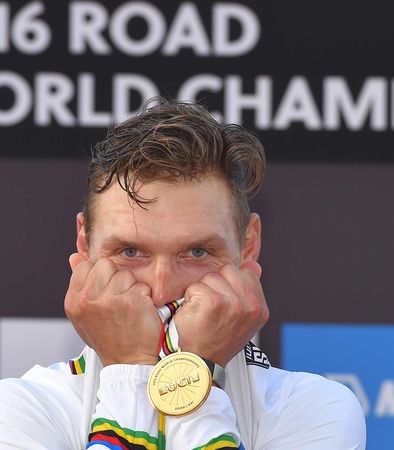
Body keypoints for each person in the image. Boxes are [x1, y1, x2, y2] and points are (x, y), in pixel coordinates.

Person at [0, 98, 366, 449]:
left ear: (248, 247)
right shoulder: (20, 411)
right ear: (84, 245)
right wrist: (134, 371)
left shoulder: (316, 410)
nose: (161, 289)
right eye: (130, 252)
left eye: (197, 252)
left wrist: (194, 373)